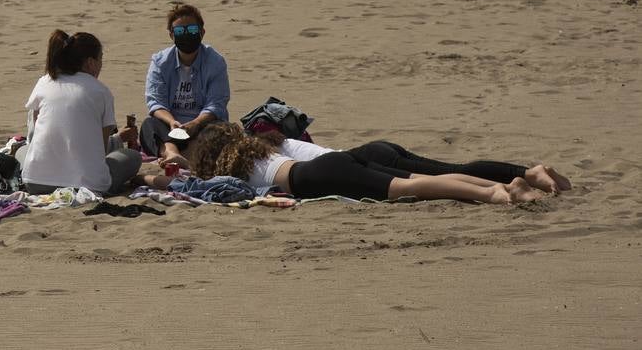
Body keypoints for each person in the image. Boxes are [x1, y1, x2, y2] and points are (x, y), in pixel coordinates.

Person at [148, 122, 548, 205]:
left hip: (312, 178)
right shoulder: (258, 146)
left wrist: (173, 160)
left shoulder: (227, 168)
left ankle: (496, 193)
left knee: (412, 188)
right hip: (335, 160)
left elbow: (196, 185)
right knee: (422, 176)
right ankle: (501, 184)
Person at [18, 30, 143, 196]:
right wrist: (119, 139)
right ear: (90, 63)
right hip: (87, 186)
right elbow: (101, 148)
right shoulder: (100, 91)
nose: (101, 65)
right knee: (133, 157)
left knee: (22, 151)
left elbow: (34, 137)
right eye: (100, 59)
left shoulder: (44, 81)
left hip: (36, 183)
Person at [140, 4, 229, 162]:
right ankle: (172, 153)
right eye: (180, 31)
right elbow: (155, 102)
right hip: (171, 127)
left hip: (203, 125)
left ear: (202, 32)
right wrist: (172, 122)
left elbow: (216, 103)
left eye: (192, 30)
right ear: (171, 35)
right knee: (149, 125)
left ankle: (186, 154)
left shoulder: (215, 61)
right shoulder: (160, 62)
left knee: (222, 130)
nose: (186, 35)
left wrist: (195, 123)